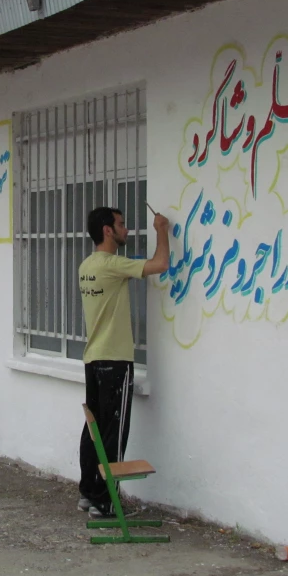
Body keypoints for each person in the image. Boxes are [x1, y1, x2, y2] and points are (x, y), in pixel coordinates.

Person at [77, 206, 170, 519]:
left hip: (93, 359)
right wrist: (161, 230)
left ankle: (89, 493)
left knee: (94, 431)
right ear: (107, 230)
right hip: (115, 361)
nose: (126, 229)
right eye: (121, 224)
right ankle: (106, 502)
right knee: (113, 433)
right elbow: (161, 264)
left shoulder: (87, 266)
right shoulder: (112, 265)